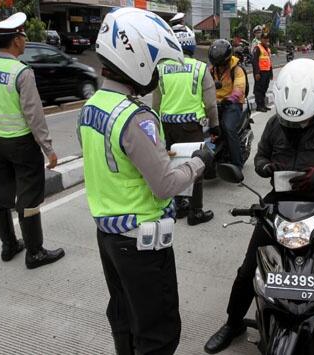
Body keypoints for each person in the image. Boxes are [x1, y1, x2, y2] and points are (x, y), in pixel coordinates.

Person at [204, 59, 314, 355]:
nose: (294, 127)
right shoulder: (275, 124)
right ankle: (233, 321)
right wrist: (268, 167)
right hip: (280, 205)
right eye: (291, 122)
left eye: (302, 122)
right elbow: (260, 157)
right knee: (248, 269)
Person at [77, 8, 214, 354]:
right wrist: (199, 162)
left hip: (108, 233)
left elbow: (114, 165)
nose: (155, 73)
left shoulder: (92, 107)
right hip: (141, 243)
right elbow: (166, 185)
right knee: (158, 332)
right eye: (154, 64)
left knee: (123, 316)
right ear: (135, 59)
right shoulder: (135, 117)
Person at [0, 12, 65, 269]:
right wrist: (48, 149)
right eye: (23, 35)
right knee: (29, 197)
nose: (25, 40)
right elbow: (34, 115)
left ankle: (9, 245)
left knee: (1, 194)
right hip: (22, 145)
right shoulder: (22, 72)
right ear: (15, 40)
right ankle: (34, 253)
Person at [152, 25, 219, 226]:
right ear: (191, 45)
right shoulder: (200, 68)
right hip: (191, 127)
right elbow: (210, 103)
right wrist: (215, 125)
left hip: (167, 127)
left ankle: (179, 205)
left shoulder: (161, 69)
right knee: (196, 165)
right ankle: (195, 211)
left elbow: (155, 104)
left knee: (173, 165)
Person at [208, 39, 247, 168]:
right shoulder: (211, 70)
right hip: (214, 104)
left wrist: (229, 99)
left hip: (232, 104)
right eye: (216, 64)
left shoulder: (237, 70)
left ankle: (237, 165)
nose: (218, 67)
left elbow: (239, 89)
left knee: (228, 127)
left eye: (221, 64)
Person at [252, 32, 272, 112]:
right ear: (261, 39)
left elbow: (269, 62)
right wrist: (256, 73)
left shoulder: (268, 49)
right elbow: (255, 61)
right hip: (260, 73)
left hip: (266, 72)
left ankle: (263, 105)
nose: (266, 40)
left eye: (267, 38)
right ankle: (259, 106)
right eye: (264, 38)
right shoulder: (257, 48)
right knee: (259, 90)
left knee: (264, 89)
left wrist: (271, 73)